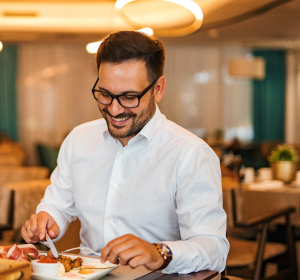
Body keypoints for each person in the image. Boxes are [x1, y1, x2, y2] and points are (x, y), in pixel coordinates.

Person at [22, 30, 229, 274]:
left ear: (158, 89)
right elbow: (58, 203)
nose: (115, 109)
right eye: (105, 94)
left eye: (130, 97)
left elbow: (214, 248)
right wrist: (48, 218)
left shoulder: (190, 154)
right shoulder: (78, 139)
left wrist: (159, 252)